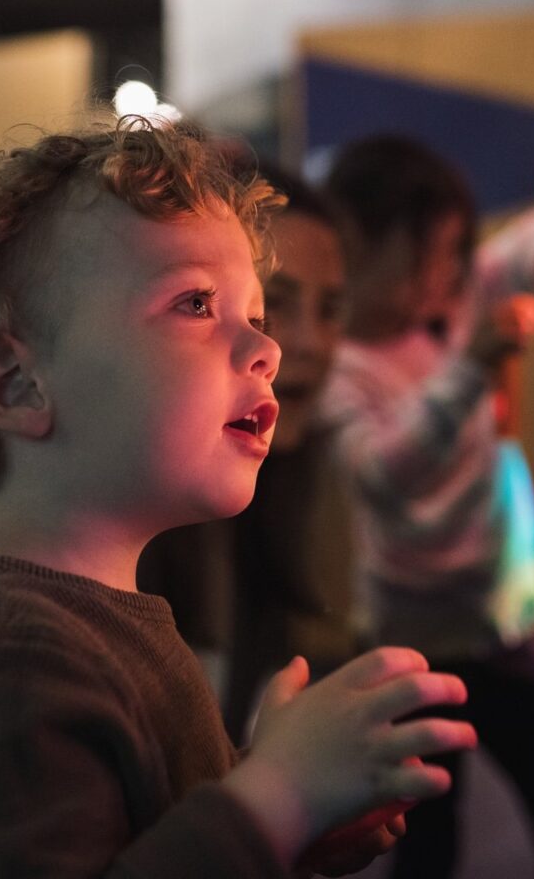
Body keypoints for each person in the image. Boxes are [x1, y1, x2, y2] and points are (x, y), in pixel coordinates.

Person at [0, 116, 477, 879]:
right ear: (12, 382)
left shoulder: (84, 619)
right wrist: (274, 795)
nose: (270, 349)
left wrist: (286, 824)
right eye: (195, 304)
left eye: (255, 317)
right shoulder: (1, 656)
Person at [320, 133, 534, 879]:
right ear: (358, 243)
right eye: (430, 253)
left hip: (502, 627)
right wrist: (472, 367)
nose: (450, 272)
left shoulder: (445, 299)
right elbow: (383, 472)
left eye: (454, 252)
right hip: (415, 643)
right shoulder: (340, 369)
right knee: (427, 835)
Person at [140, 161, 357, 743]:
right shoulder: (58, 530)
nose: (304, 344)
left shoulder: (305, 486)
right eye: (272, 306)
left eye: (332, 310)